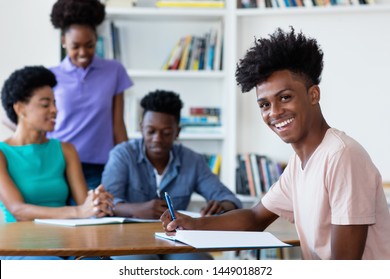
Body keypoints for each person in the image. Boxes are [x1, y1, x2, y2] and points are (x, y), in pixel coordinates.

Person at [161, 27, 390, 260]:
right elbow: (254, 218)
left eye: (285, 97)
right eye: (264, 104)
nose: (275, 112)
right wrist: (192, 223)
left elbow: (345, 268)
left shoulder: (342, 156)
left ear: (313, 95)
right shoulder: (299, 164)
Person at [102, 89, 242, 260]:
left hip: (176, 239)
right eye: (150, 131)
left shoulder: (192, 160)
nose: (157, 139)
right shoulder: (122, 155)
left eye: (166, 133)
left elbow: (230, 200)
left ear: (178, 132)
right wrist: (137, 210)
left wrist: (222, 206)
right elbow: (105, 205)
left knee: (199, 262)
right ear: (141, 128)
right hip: (130, 237)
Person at [0, 65, 113, 260]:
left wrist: (95, 202)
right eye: (45, 104)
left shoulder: (66, 150)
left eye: (54, 103)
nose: (55, 110)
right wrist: (79, 211)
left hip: (67, 242)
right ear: (20, 108)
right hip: (21, 247)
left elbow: (83, 203)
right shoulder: (3, 153)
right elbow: (19, 210)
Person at [48, 0, 133, 191]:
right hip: (57, 164)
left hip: (99, 167)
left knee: (97, 217)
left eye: (89, 45)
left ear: (97, 39)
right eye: (75, 46)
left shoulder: (114, 71)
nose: (83, 53)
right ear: (63, 41)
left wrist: (128, 164)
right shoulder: (50, 75)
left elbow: (118, 124)